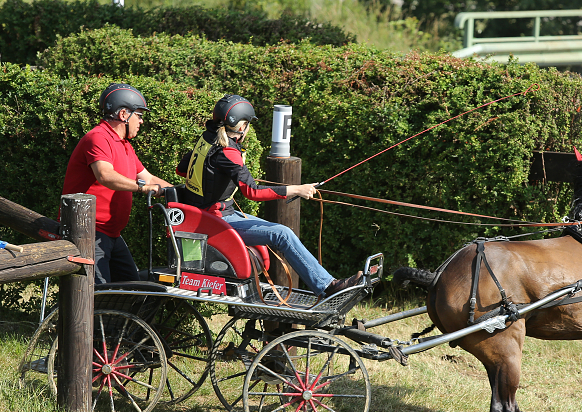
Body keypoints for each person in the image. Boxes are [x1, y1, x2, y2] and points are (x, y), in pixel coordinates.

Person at [177, 94, 362, 297]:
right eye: (248, 124)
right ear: (241, 127)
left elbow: (182, 169)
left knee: (281, 233)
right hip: (217, 221)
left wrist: (218, 177)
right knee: (282, 234)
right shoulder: (228, 151)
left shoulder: (206, 139)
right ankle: (328, 287)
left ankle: (327, 284)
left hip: (206, 216)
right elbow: (253, 192)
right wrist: (298, 189)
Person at [62, 83, 173, 284]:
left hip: (111, 234)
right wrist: (142, 188)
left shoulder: (124, 145)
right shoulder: (98, 138)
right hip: (89, 233)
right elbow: (105, 175)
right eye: (139, 115)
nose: (141, 121)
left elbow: (147, 177)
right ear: (123, 114)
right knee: (98, 295)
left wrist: (179, 193)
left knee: (133, 289)